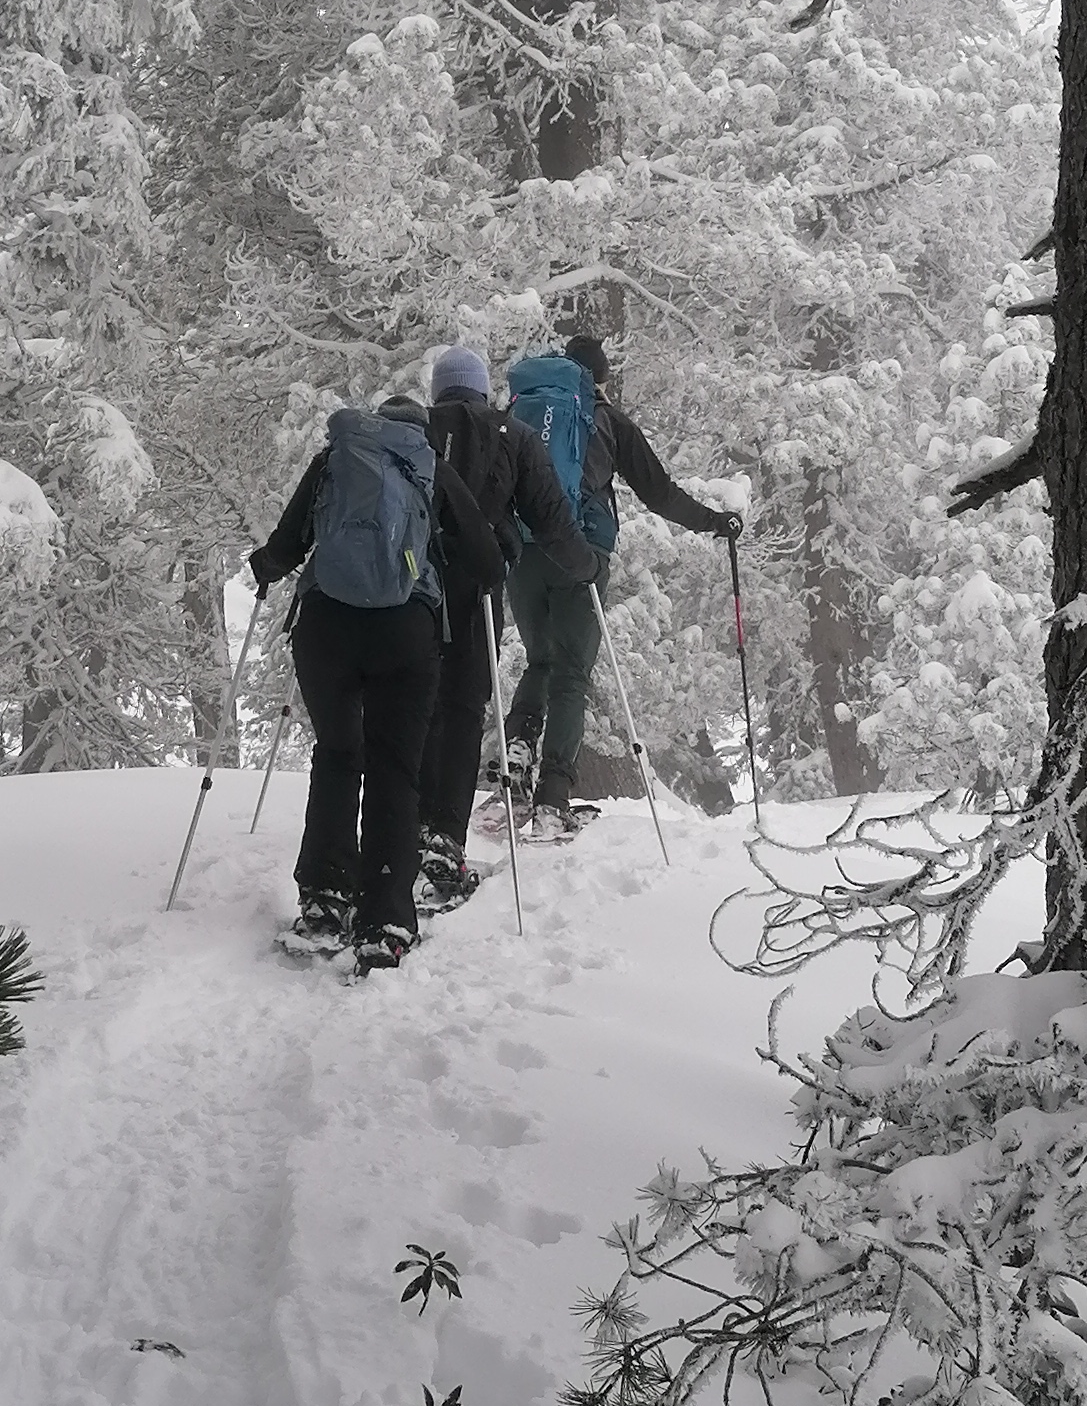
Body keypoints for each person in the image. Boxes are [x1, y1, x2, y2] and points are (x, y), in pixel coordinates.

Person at [251, 390, 502, 970]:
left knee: (338, 754)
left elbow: (286, 547)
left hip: (325, 629)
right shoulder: (429, 466)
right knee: (395, 768)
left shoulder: (337, 458)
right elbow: (486, 561)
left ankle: (323, 900)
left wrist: (264, 568)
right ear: (421, 432)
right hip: (405, 634)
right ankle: (385, 921)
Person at [504, 329, 741, 836]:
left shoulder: (522, 416)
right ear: (603, 378)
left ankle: (517, 753)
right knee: (571, 671)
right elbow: (659, 494)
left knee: (540, 661)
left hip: (523, 553)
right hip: (582, 554)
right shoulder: (608, 422)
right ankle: (552, 800)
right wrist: (713, 522)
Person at [415, 341, 598, 909]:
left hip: (412, 594)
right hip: (477, 593)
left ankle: (401, 837)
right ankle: (443, 843)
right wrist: (585, 564)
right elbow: (548, 515)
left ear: (438, 388)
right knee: (465, 707)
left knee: (413, 708)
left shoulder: (410, 431)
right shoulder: (509, 435)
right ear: (485, 387)